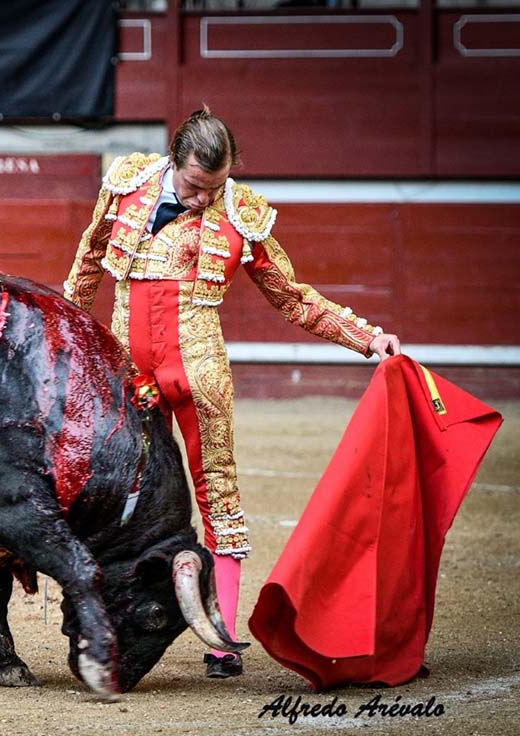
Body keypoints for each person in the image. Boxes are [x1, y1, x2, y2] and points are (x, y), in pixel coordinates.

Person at [63, 106, 401, 679]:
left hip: (197, 371)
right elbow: (87, 264)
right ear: (175, 162)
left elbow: (291, 297)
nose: (203, 199)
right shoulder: (125, 185)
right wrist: (67, 340)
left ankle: (221, 640)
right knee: (117, 492)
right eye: (195, 186)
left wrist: (367, 339)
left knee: (218, 495)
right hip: (125, 369)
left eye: (215, 188)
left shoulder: (242, 214)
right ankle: (117, 613)